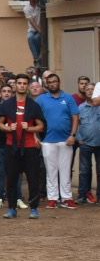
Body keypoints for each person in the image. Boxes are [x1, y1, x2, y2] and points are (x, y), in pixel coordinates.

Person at [0, 73, 44, 219]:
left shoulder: (33, 106)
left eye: (24, 83)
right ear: (15, 85)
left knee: (33, 178)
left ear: (27, 86)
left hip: (29, 147)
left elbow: (41, 126)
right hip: (12, 146)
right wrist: (7, 128)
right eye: (19, 83)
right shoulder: (7, 104)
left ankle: (34, 208)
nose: (22, 85)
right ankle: (11, 208)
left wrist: (29, 128)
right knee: (11, 179)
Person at [35, 71, 80, 209]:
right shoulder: (41, 99)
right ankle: (53, 198)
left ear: (59, 83)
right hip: (47, 140)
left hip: (66, 140)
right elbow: (34, 118)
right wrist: (36, 137)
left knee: (65, 170)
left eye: (55, 81)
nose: (53, 84)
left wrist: (73, 135)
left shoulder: (68, 98)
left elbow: (75, 117)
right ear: (47, 85)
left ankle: (66, 198)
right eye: (50, 82)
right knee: (51, 171)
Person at [76, 80, 100, 203]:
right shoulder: (80, 108)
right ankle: (82, 195)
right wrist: (79, 139)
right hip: (85, 144)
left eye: (93, 89)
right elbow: (76, 123)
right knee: (84, 171)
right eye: (88, 89)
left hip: (99, 143)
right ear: (85, 92)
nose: (90, 91)